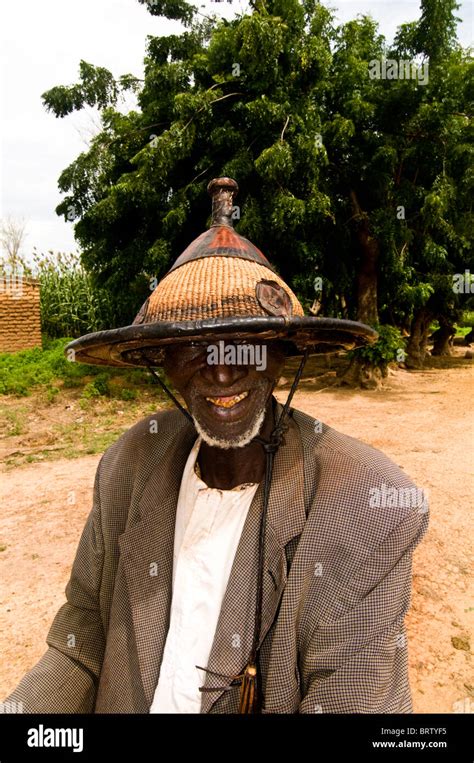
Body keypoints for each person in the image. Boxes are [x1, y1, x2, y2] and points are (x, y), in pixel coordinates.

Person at [4, 177, 429, 714]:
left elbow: (354, 698)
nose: (224, 370)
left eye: (247, 342)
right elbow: (83, 637)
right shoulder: (131, 462)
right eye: (194, 347)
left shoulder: (365, 504)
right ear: (161, 361)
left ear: (281, 352)